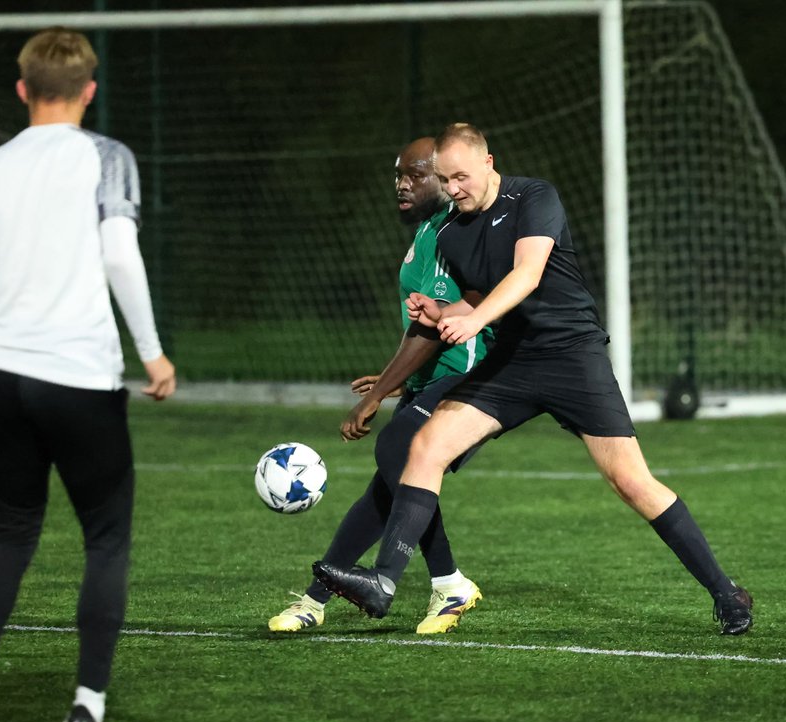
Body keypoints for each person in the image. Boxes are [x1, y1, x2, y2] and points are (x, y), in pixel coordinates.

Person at [315, 123, 752, 636]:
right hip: (513, 361)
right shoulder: (452, 231)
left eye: (461, 177)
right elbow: (478, 297)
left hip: (572, 357)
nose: (453, 188)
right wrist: (442, 312)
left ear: (488, 163)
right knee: (425, 445)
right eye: (445, 180)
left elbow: (527, 273)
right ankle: (383, 581)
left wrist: (473, 321)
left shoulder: (534, 196)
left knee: (631, 482)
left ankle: (726, 592)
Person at [0, 27, 176, 722]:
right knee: (105, 540)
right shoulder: (107, 156)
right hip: (80, 377)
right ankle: (86, 708)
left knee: (13, 536)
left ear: (22, 89)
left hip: (5, 376)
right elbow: (119, 255)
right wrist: (151, 351)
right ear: (89, 91)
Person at [268, 138, 490, 636]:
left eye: (414, 175)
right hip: (434, 378)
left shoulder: (450, 232)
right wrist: (395, 377)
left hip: (468, 377)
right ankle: (314, 600)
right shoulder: (427, 232)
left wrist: (374, 396)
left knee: (396, 452)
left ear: (443, 179)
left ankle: (448, 581)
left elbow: (436, 330)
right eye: (398, 175)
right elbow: (420, 327)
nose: (401, 185)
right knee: (386, 491)